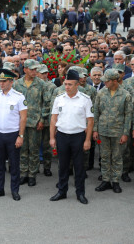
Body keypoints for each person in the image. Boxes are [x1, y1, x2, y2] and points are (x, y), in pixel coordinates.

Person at [49, 69, 94, 205]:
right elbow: (53, 119)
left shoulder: (85, 100)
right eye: (65, 84)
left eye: (70, 84)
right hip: (62, 135)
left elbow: (90, 121)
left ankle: (80, 193)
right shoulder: (59, 98)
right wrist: (52, 137)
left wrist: (87, 140)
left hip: (78, 137)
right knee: (62, 166)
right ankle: (62, 191)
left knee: (79, 167)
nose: (66, 87)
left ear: (77, 85)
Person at [0, 68, 27, 201]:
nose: (1, 84)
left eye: (4, 81)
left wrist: (20, 136)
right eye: (0, 81)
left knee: (14, 164)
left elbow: (23, 118)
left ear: (11, 81)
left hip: (12, 134)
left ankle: (14, 190)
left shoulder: (19, 97)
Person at [93, 69, 132, 193]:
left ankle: (115, 181)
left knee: (117, 157)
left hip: (118, 131)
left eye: (107, 81)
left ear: (115, 81)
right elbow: (96, 112)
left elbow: (128, 115)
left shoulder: (125, 95)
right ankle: (105, 180)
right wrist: (95, 129)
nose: (104, 83)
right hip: (103, 130)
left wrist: (125, 133)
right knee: (104, 156)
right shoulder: (101, 93)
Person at [13, 59, 45, 186]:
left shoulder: (41, 84)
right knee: (21, 149)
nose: (34, 71)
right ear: (25, 69)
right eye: (31, 69)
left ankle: (32, 174)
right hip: (20, 122)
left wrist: (42, 119)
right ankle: (23, 173)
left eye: (35, 69)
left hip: (34, 122)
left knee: (34, 149)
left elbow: (45, 103)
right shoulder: (17, 84)